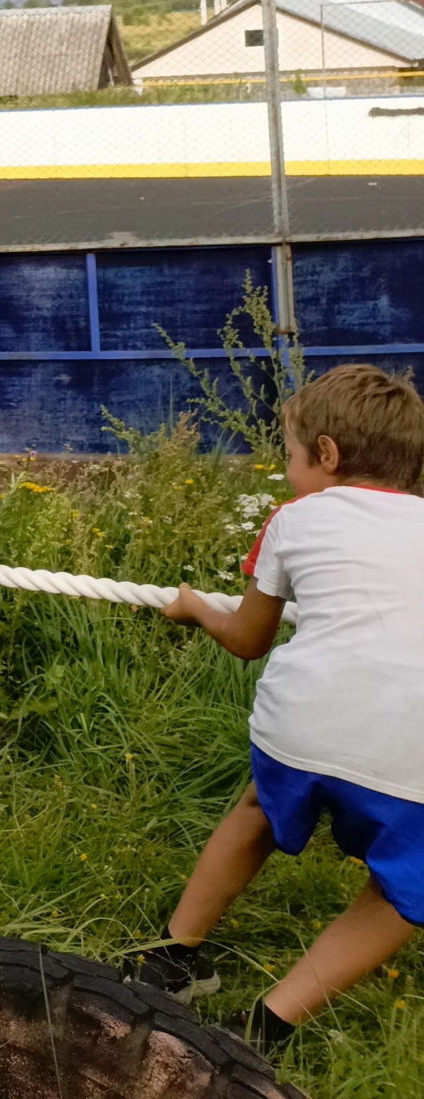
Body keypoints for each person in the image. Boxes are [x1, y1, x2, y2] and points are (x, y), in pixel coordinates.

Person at [127, 363, 424, 1053]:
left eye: (290, 455)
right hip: (411, 755)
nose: (287, 471)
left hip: (299, 729)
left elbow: (247, 640)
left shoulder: (294, 518)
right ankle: (268, 1025)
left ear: (326, 454)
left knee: (256, 808)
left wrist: (195, 606)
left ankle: (167, 960)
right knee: (402, 892)